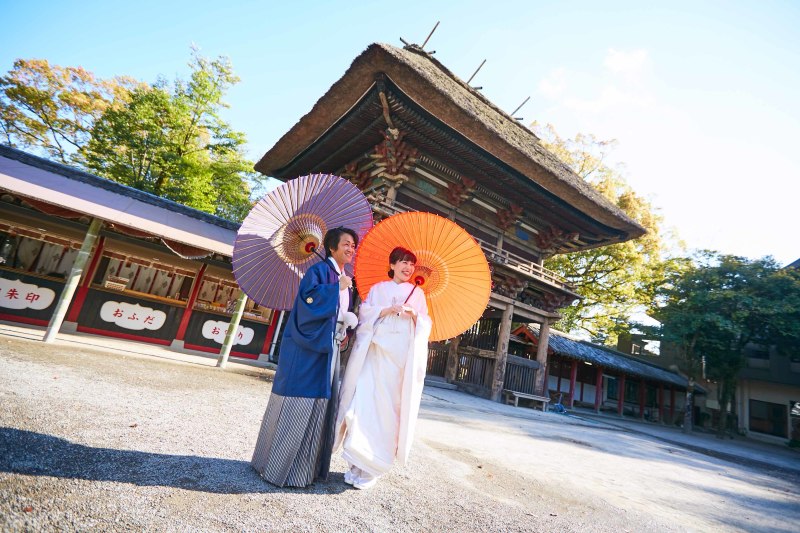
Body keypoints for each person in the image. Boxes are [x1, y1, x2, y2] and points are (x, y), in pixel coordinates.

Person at [251, 227, 359, 487]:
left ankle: (305, 470)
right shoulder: (319, 272)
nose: (351, 249)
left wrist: (344, 328)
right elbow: (306, 303)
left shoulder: (342, 277)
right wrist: (335, 289)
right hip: (308, 348)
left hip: (328, 345)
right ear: (331, 247)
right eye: (346, 244)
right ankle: (279, 468)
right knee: (300, 401)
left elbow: (338, 314)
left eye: (354, 245)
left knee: (322, 403)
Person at [334, 246, 432, 490]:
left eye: (411, 264)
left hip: (398, 361)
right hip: (375, 354)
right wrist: (385, 310)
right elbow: (365, 313)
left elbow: (425, 324)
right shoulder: (378, 289)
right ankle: (356, 463)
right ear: (392, 265)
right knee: (363, 403)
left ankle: (373, 467)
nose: (408, 267)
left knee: (388, 409)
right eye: (403, 262)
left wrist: (414, 315)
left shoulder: (417, 294)